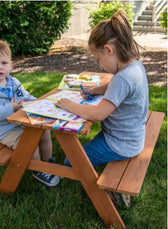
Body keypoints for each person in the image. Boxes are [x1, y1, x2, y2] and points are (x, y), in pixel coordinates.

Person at [55, 10, 149, 206]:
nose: (100, 64)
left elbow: (98, 114)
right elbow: (114, 86)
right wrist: (97, 89)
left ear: (109, 50)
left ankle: (114, 192)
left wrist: (69, 105)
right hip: (129, 137)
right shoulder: (133, 66)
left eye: (98, 59)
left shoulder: (124, 77)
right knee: (80, 152)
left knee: (71, 161)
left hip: (120, 143)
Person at [0, 38, 60, 187]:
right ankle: (38, 169)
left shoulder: (13, 82)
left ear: (11, 65)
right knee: (28, 143)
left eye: (4, 63)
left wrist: (38, 102)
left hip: (22, 121)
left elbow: (25, 97)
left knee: (45, 132)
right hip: (6, 130)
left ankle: (48, 163)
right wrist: (11, 107)